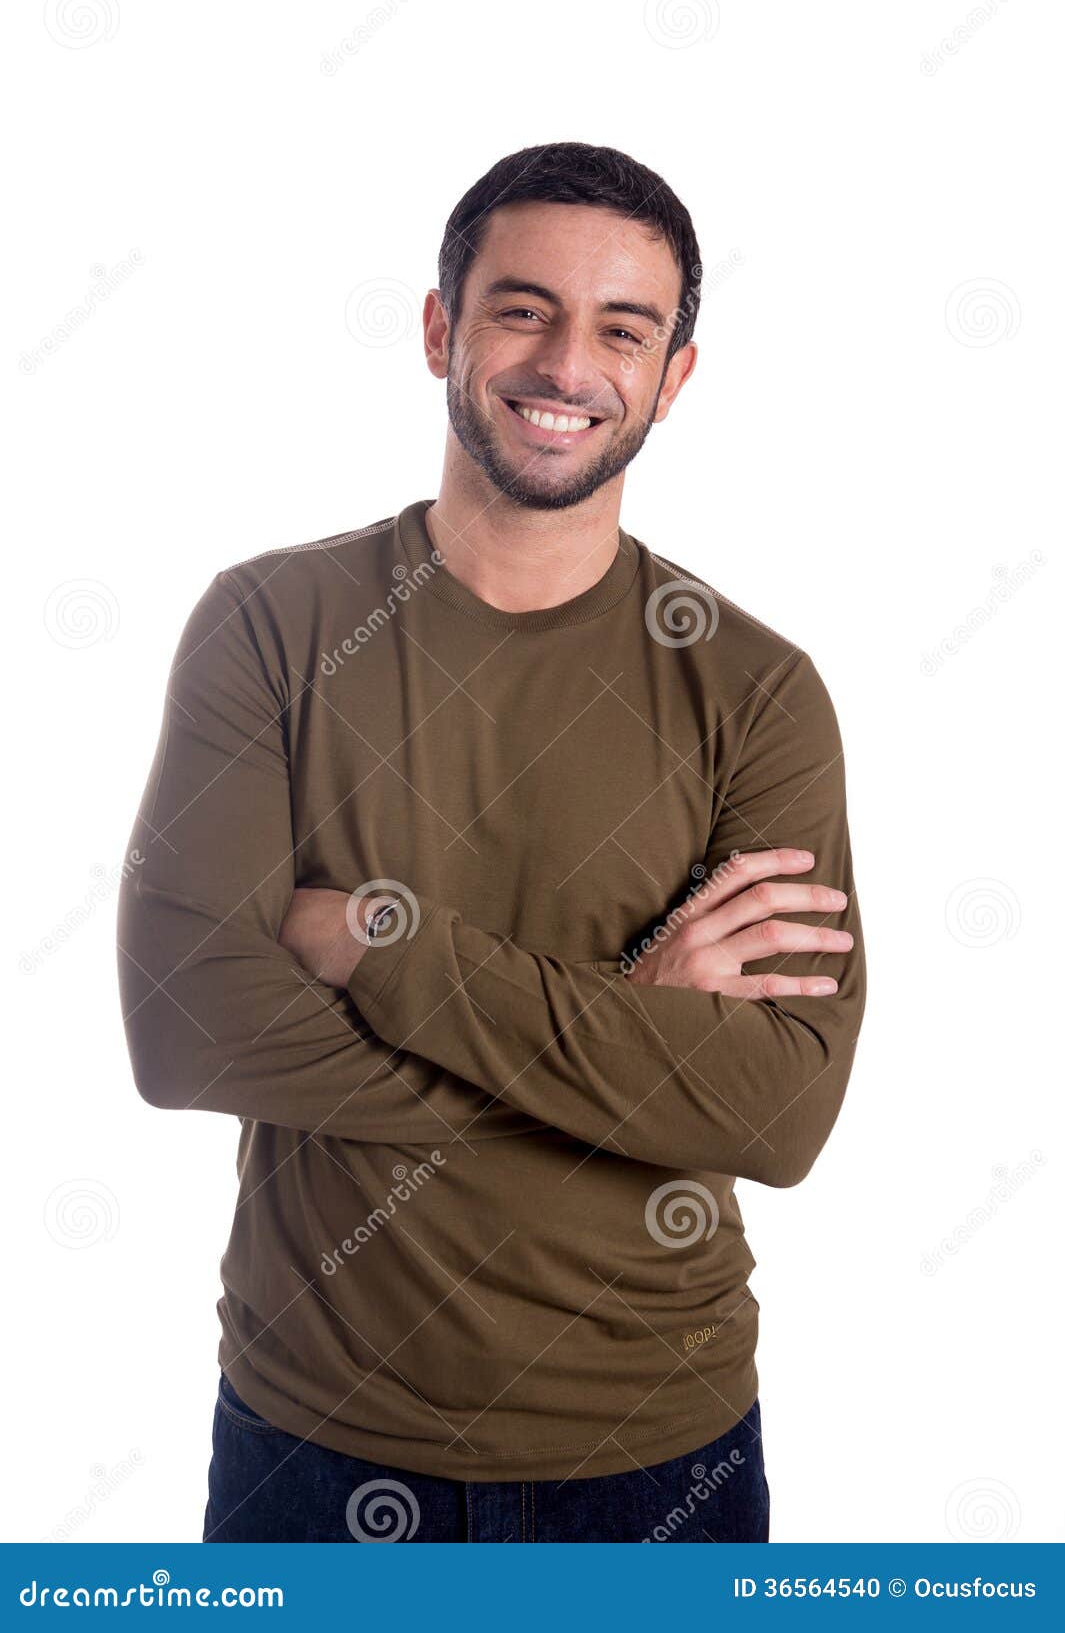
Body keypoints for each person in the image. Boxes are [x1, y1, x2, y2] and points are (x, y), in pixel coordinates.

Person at [117, 142, 866, 1543]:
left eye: (621, 329)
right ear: (439, 329)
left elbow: (775, 1111)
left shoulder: (754, 690)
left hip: (659, 1454)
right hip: (312, 1439)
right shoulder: (271, 627)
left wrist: (369, 937)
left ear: (673, 377)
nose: (564, 362)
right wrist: (632, 1033)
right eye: (521, 309)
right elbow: (186, 1033)